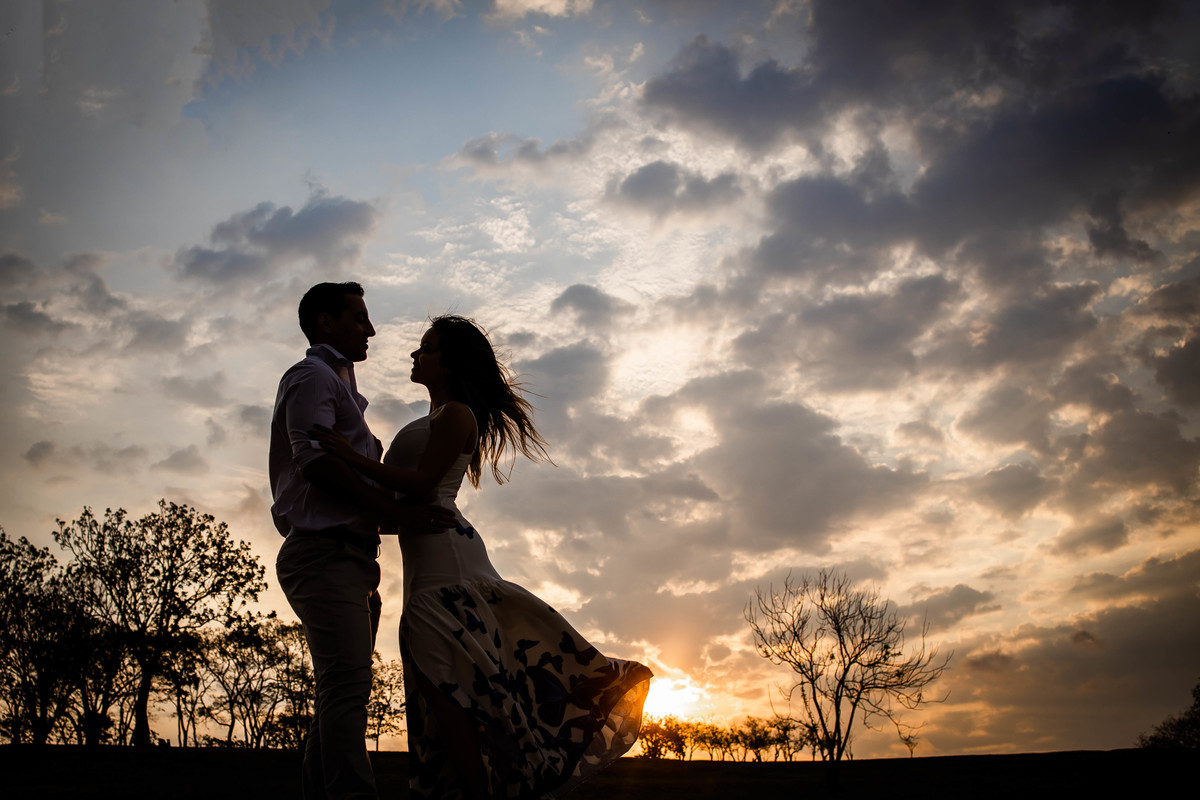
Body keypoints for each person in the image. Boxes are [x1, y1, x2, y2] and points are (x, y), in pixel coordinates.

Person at [311, 314, 652, 798]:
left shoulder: (457, 415)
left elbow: (424, 485)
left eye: (426, 349)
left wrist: (348, 455)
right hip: (429, 561)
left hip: (448, 566)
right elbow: (392, 507)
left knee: (452, 698)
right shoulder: (425, 421)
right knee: (445, 698)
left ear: (448, 365)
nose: (415, 355)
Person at [270, 282, 456, 800]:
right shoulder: (311, 377)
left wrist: (405, 518)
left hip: (353, 559)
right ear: (325, 323)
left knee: (341, 691)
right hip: (323, 552)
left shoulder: (340, 387)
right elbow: (316, 463)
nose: (371, 329)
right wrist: (393, 509)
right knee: (347, 690)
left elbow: (355, 480)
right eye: (359, 318)